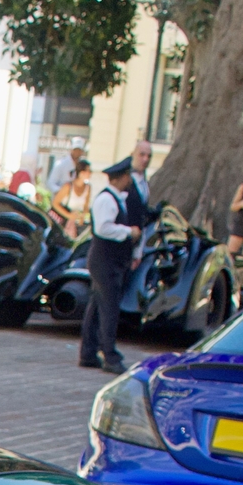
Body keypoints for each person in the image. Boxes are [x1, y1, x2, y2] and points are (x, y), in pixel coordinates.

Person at [80, 142, 153, 374]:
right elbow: (102, 228)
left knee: (97, 305)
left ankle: (88, 352)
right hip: (105, 260)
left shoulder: (117, 198)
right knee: (109, 308)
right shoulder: (106, 200)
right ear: (120, 178)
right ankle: (110, 354)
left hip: (111, 260)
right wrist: (128, 232)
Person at [50, 162, 95, 238]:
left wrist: (83, 216)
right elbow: (55, 203)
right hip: (62, 221)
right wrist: (68, 215)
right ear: (81, 172)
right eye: (89, 171)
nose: (91, 173)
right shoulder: (68, 186)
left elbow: (86, 205)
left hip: (75, 223)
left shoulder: (88, 187)